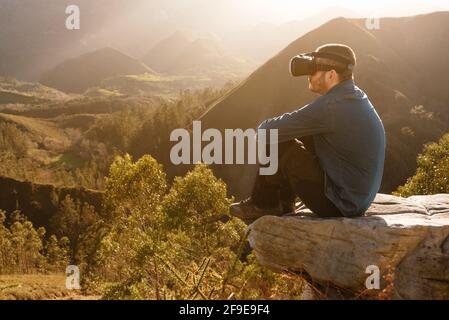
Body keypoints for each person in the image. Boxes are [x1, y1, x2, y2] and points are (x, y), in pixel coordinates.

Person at [230, 43, 386, 223]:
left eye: (313, 70)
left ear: (331, 75)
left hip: (339, 205)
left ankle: (265, 203)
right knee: (297, 134)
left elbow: (265, 131)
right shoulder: (353, 96)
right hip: (354, 200)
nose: (309, 76)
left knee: (277, 139)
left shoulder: (332, 107)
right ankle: (284, 203)